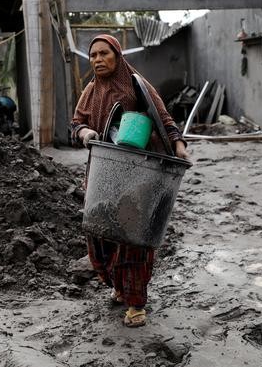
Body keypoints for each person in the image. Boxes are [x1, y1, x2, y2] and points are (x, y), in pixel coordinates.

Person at [70, 34, 189, 327]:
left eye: (103, 53)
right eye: (93, 55)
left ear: (118, 55)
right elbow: (76, 124)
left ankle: (136, 303)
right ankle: (119, 286)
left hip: (138, 176)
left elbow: (165, 120)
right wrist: (86, 134)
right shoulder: (90, 90)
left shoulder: (137, 84)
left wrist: (179, 148)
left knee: (134, 239)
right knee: (99, 235)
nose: (97, 59)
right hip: (102, 172)